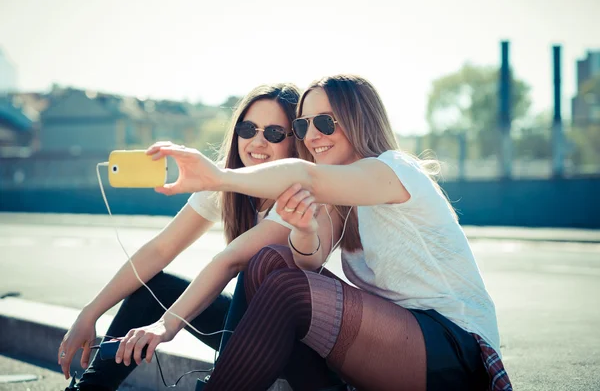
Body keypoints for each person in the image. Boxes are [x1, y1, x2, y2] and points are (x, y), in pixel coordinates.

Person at [121, 74, 513, 391]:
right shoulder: (341, 200)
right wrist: (305, 231)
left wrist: (221, 177)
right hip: (396, 345)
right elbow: (307, 260)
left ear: (359, 120)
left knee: (286, 289)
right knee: (270, 263)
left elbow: (306, 175)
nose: (311, 135)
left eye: (325, 122)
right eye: (303, 124)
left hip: (455, 350)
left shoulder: (393, 169)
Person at [58, 83, 343, 391]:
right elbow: (161, 248)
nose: (257, 141)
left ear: (293, 143)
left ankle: (220, 382)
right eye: (248, 129)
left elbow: (231, 261)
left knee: (253, 267)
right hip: (252, 329)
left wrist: (165, 327)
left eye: (273, 133)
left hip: (309, 345)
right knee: (155, 288)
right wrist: (90, 313)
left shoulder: (300, 196)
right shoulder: (225, 181)